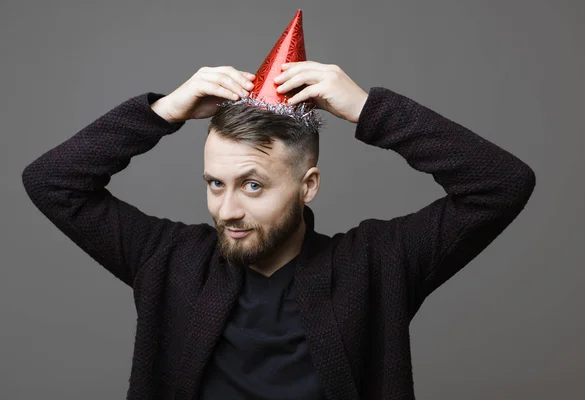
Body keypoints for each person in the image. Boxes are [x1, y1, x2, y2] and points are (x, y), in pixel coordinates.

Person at [21, 10, 535, 400]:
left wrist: (369, 109)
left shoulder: (377, 265)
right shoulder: (168, 260)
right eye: (214, 183)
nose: (225, 211)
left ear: (308, 185)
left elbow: (501, 184)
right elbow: (52, 182)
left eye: (252, 186)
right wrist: (164, 112)